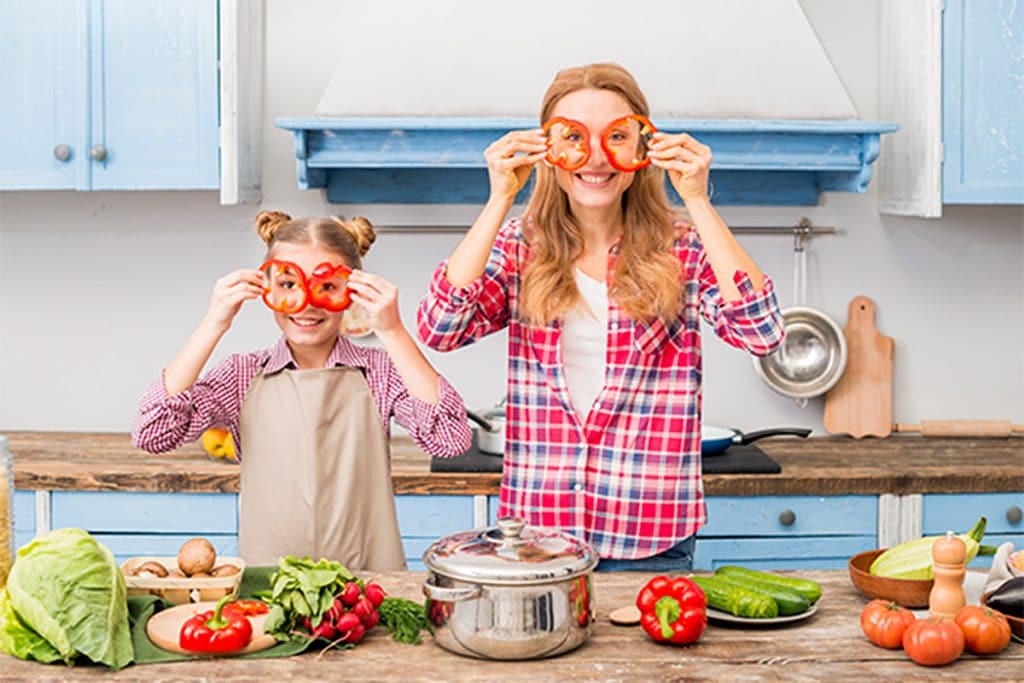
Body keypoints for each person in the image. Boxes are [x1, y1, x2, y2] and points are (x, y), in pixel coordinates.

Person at [416, 63, 784, 571]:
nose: (593, 158)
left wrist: (696, 198)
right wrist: (499, 198)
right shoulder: (520, 246)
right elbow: (440, 326)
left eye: (614, 136)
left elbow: (760, 331)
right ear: (548, 150)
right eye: (573, 137)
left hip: (650, 534)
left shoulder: (683, 248)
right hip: (538, 536)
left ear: (642, 146)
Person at [133, 211, 471, 570]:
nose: (307, 303)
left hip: (369, 591)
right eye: (289, 284)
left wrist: (393, 331)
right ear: (267, 287)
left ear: (351, 291)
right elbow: (152, 433)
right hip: (270, 594)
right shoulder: (241, 375)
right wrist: (214, 323)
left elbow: (450, 440)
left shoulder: (380, 371)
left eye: (327, 286)